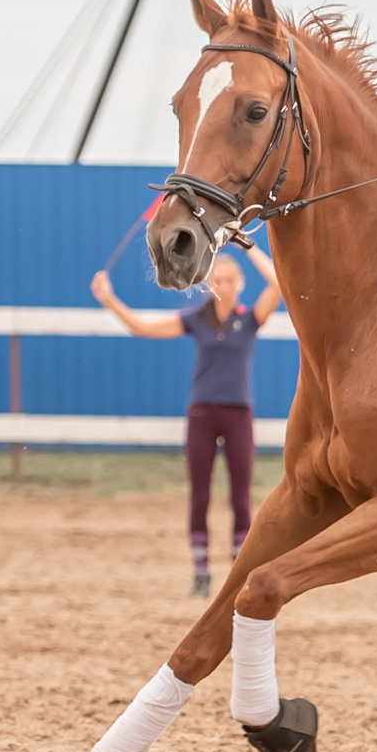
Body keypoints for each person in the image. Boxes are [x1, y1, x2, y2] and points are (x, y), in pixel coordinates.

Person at [91, 248, 282, 596]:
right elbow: (143, 328)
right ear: (209, 285)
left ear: (239, 284)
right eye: (216, 281)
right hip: (202, 415)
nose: (222, 286)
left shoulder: (250, 320)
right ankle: (201, 573)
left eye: (228, 280)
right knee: (200, 495)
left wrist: (250, 248)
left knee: (241, 497)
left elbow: (277, 283)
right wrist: (109, 299)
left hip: (238, 414)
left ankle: (238, 573)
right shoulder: (196, 319)